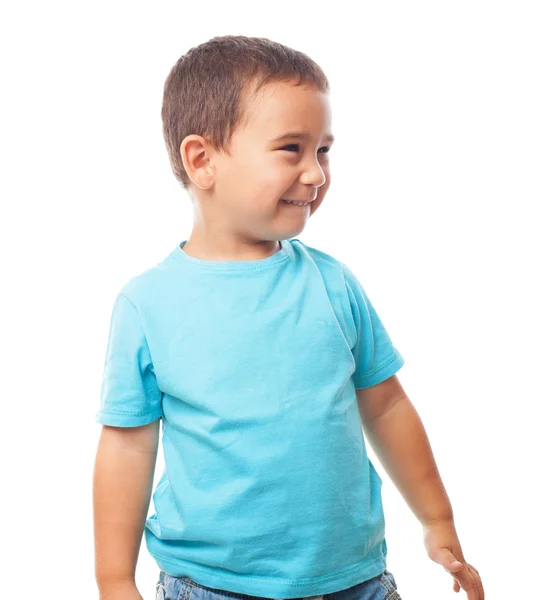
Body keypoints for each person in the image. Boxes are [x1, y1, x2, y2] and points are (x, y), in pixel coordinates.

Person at [93, 35, 484, 600]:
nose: (316, 173)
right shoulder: (148, 304)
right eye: (291, 149)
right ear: (202, 160)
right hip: (213, 587)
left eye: (323, 150)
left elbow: (387, 403)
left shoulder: (333, 284)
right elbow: (128, 445)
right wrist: (113, 580)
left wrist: (437, 519)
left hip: (356, 580)